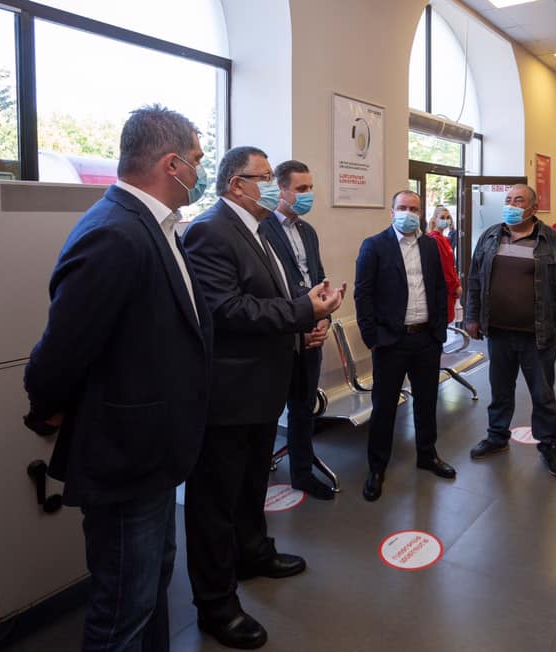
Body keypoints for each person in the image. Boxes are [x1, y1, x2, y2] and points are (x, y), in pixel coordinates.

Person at [23, 105, 212, 651]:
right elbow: (60, 352)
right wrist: (47, 410)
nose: (201, 170)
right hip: (126, 456)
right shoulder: (115, 233)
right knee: (123, 612)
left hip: (155, 453)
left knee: (150, 589)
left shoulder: (156, 226)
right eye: (197, 159)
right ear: (172, 164)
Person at [183, 146, 344, 649]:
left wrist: (309, 321)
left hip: (261, 388)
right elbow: (226, 309)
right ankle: (216, 603)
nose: (272, 185)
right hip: (229, 393)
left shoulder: (255, 230)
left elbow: (277, 299)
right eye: (265, 177)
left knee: (251, 482)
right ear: (237, 184)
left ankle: (253, 553)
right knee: (215, 502)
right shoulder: (210, 230)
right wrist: (301, 313)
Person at [465, 184, 556, 477]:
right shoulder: (490, 236)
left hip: (538, 336)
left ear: (533, 207)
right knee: (500, 391)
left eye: (518, 200)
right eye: (508, 200)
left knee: (543, 394)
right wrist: (472, 316)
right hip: (499, 332)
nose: (511, 205)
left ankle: (549, 445)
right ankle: (496, 437)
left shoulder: (552, 240)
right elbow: (475, 280)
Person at [354, 190, 455, 502]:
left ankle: (427, 454)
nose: (408, 213)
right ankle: (377, 467)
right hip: (391, 342)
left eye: (414, 208)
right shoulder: (374, 245)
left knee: (427, 401)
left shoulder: (430, 245)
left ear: (421, 213)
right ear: (392, 211)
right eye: (402, 207)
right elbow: (363, 294)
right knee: (384, 407)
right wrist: (373, 338)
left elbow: (438, 288)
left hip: (426, 339)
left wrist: (439, 331)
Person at [261, 159, 334, 500]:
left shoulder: (308, 232)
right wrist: (295, 328)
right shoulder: (262, 229)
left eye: (310, 188)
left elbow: (318, 279)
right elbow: (267, 291)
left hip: (311, 336)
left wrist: (323, 319)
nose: (308, 195)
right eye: (301, 189)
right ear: (281, 191)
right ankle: (256, 480)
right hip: (280, 337)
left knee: (304, 408)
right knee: (267, 412)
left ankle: (302, 474)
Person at [427, 205, 461, 323]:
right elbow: (442, 268)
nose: (445, 220)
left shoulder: (445, 239)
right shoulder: (433, 239)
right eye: (442, 217)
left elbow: (451, 265)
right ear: (434, 219)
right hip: (443, 289)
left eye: (448, 217)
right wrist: (455, 286)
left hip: (449, 290)